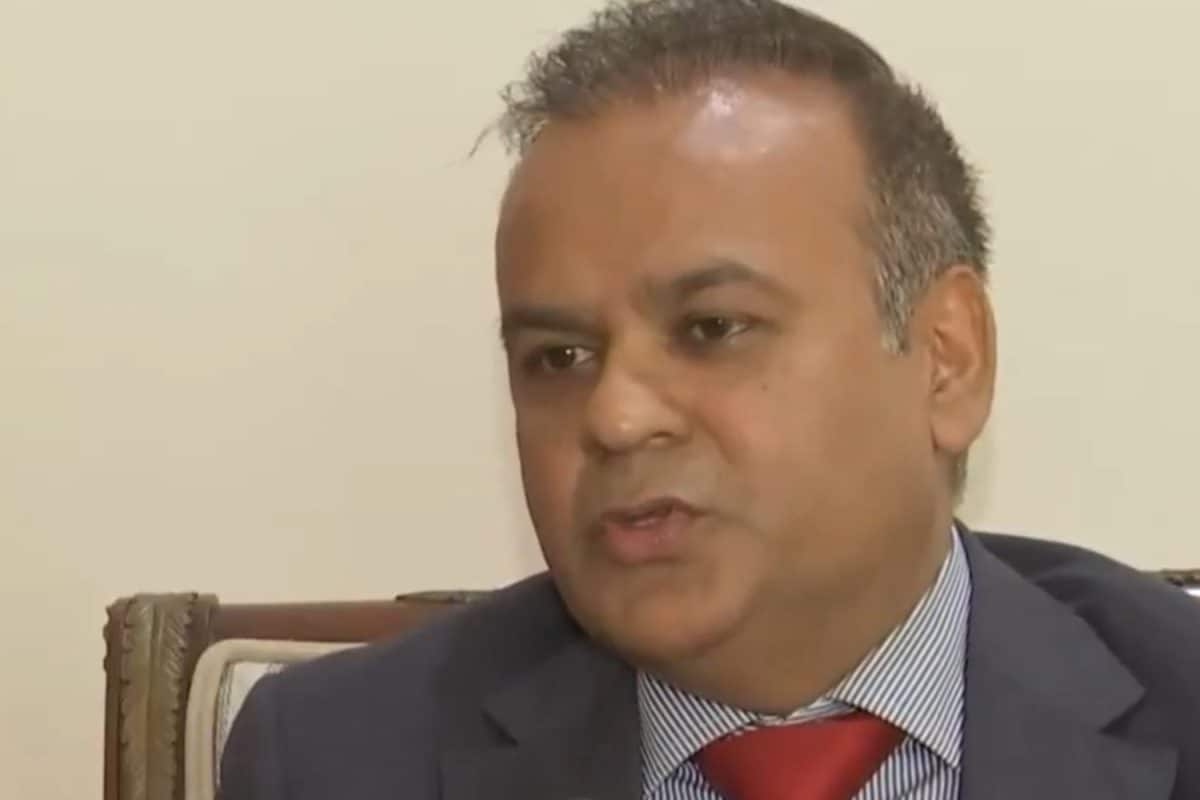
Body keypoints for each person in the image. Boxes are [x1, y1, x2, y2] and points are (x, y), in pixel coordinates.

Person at [220, 1, 1200, 798]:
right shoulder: (337, 760)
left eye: (712, 328)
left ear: (947, 359)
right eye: (559, 356)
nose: (616, 416)